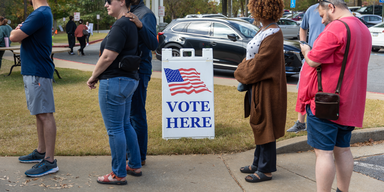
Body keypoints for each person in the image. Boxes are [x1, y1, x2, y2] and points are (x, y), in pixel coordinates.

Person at [298, 0, 371, 191]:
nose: (322, 21)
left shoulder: (336, 28)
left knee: (323, 153)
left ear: (331, 7)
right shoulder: (363, 29)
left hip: (327, 102)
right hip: (350, 102)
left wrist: (306, 50)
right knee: (343, 150)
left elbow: (313, 61)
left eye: (322, 15)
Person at [87, 0, 141, 185]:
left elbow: (108, 56)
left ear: (121, 1)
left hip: (114, 82)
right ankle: (134, 164)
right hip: (128, 80)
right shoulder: (131, 23)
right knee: (125, 125)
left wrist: (93, 76)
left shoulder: (121, 24)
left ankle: (118, 174)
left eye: (108, 1)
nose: (105, 5)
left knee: (115, 129)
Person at [234, 0, 287, 183]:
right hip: (257, 86)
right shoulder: (265, 30)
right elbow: (252, 58)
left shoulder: (274, 33)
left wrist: (239, 70)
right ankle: (258, 163)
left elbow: (259, 64)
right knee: (259, 122)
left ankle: (266, 170)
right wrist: (245, 69)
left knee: (266, 125)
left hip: (267, 88)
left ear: (261, 9)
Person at [9, 0, 59, 177]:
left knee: (45, 114)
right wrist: (18, 30)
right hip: (33, 70)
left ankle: (50, 161)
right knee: (39, 112)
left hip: (38, 71)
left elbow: (14, 36)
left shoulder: (40, 13)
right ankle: (41, 151)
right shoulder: (41, 13)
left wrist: (17, 30)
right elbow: (18, 33)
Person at [124, 0, 158, 166]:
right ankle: (130, 152)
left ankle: (139, 156)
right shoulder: (128, 11)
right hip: (127, 70)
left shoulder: (146, 14)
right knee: (127, 115)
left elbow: (153, 43)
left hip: (140, 70)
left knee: (136, 114)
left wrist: (140, 25)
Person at [287, 3, 325, 133]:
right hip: (309, 56)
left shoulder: (337, 8)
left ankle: (319, 121)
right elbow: (303, 28)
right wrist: (303, 45)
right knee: (302, 89)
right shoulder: (311, 10)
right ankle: (300, 123)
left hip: (326, 58)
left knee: (322, 90)